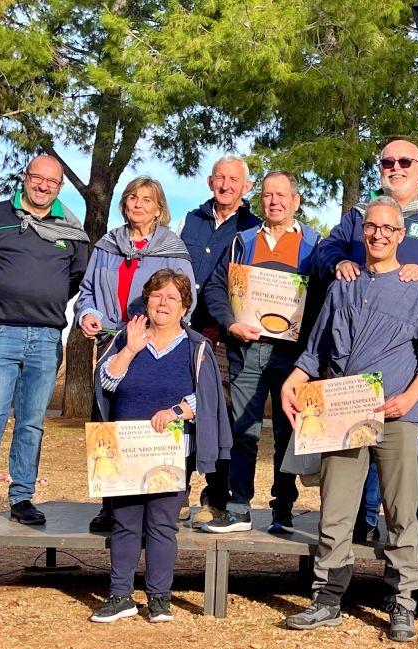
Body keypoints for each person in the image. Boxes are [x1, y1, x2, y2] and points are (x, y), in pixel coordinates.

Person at [279, 196, 418, 642]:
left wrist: (408, 397)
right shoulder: (341, 286)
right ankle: (327, 598)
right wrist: (292, 380)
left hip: (397, 414)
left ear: (399, 236)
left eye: (388, 230)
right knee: (335, 508)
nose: (377, 235)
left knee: (401, 512)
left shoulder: (417, 291)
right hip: (343, 410)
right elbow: (314, 351)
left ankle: (403, 602)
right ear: (363, 231)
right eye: (371, 227)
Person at [315, 139, 418, 547]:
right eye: (388, 162)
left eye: (405, 161)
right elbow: (324, 252)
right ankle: (362, 522)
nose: (396, 168)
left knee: (412, 445)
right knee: (355, 439)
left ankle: (409, 526)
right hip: (357, 359)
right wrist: (339, 261)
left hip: (411, 356)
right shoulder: (362, 214)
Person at [89, 269, 230, 622]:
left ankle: (159, 599)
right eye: (157, 295)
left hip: (170, 452)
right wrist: (130, 351)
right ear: (146, 300)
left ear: (185, 307)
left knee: (162, 524)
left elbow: (209, 397)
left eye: (172, 298)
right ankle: (120, 595)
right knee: (124, 523)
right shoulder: (127, 337)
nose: (163, 303)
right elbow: (106, 383)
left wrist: (179, 410)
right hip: (126, 449)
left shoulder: (196, 347)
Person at [0, 154, 89, 528]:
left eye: (52, 181)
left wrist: (42, 299)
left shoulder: (70, 228)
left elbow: (76, 277)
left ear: (59, 187)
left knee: (31, 421)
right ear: (25, 178)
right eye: (37, 178)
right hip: (0, 333)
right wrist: (2, 294)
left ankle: (22, 498)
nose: (43, 185)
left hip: (46, 337)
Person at [200, 170, 321, 534]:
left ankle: (283, 509)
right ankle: (239, 507)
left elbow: (324, 299)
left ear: (296, 201)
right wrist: (230, 323)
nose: (274, 201)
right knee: (244, 432)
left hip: (293, 358)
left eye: (282, 195)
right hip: (248, 350)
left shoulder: (315, 245)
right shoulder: (243, 241)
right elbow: (215, 289)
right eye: (268, 195)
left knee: (288, 433)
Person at [74, 176, 195, 532]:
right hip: (113, 344)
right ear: (124, 204)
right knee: (108, 421)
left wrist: (161, 335)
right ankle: (111, 504)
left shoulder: (172, 248)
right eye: (132, 198)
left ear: (159, 208)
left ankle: (161, 502)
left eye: (146, 199)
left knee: (150, 423)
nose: (138, 204)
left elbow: (186, 300)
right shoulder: (106, 246)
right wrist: (89, 314)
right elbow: (86, 292)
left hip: (155, 345)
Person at [176, 155, 261, 528]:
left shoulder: (253, 229)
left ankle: (217, 494)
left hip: (226, 336)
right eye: (220, 178)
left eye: (234, 180)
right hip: (182, 331)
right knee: (178, 409)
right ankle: (174, 490)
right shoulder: (190, 221)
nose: (226, 185)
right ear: (210, 182)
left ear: (246, 187)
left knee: (221, 414)